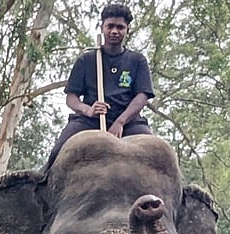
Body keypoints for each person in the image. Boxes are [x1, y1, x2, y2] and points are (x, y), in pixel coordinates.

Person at [45, 3, 154, 166]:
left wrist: (120, 122)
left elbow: (143, 95)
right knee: (57, 151)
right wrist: (88, 110)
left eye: (120, 27)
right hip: (89, 121)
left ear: (127, 30)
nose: (114, 31)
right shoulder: (86, 60)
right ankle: (40, 182)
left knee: (158, 154)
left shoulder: (137, 60)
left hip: (128, 121)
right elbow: (71, 97)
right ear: (102, 27)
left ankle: (181, 190)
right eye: (110, 26)